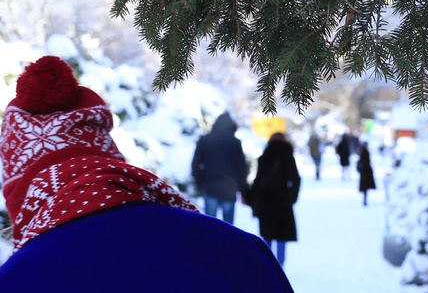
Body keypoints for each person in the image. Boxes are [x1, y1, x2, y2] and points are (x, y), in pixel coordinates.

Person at [0, 56, 294, 292]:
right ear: (107, 154)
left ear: (19, 188)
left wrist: (203, 181)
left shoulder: (16, 279)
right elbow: (240, 167)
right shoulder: (239, 252)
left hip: (212, 189)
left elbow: (197, 165)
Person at [249, 132, 300, 267]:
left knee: (267, 237)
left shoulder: (264, 158)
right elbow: (296, 179)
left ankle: (269, 267)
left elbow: (258, 181)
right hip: (284, 203)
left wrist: (252, 197)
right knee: (282, 238)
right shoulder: (289, 158)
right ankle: (280, 268)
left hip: (266, 202)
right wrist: (292, 197)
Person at [191, 111, 248, 225]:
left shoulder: (205, 140)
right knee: (229, 229)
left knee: (210, 226)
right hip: (230, 190)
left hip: (210, 187)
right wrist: (243, 190)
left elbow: (195, 165)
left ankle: (209, 243)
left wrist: (200, 184)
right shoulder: (235, 142)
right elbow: (242, 168)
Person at [358, 142, 376, 206]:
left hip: (364, 172)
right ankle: (365, 200)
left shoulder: (362, 152)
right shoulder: (365, 152)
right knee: (365, 187)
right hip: (366, 172)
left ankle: (365, 200)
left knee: (365, 187)